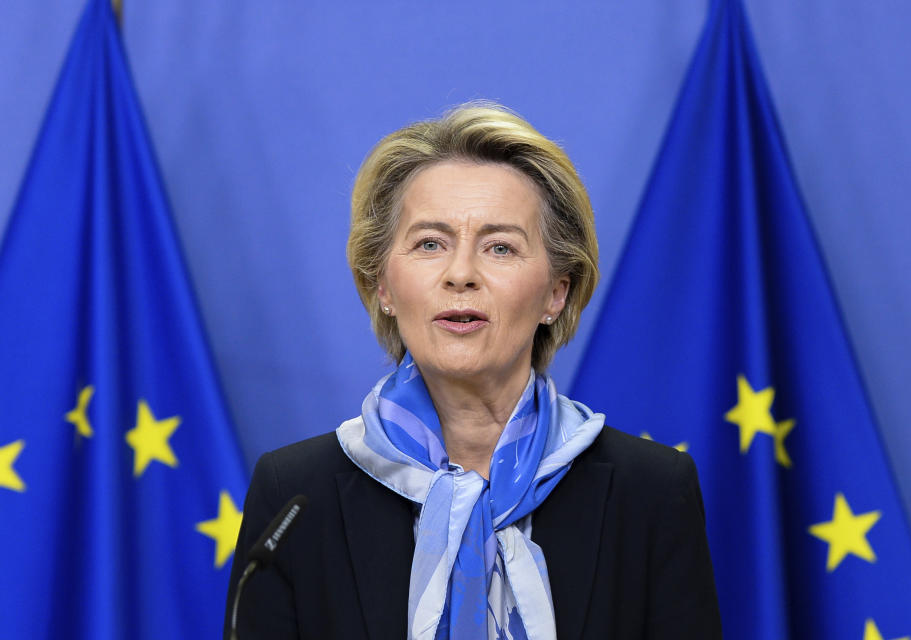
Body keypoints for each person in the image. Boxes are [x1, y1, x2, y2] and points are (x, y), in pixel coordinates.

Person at [224, 103, 722, 639]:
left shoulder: (650, 492)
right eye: (430, 244)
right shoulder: (295, 497)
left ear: (557, 292)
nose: (461, 274)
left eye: (500, 247)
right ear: (383, 287)